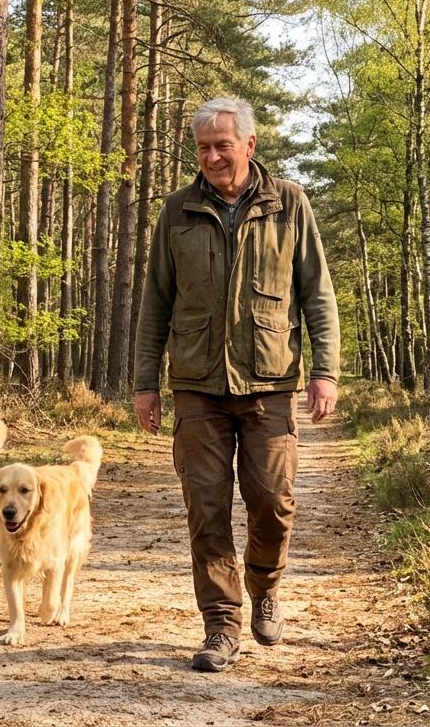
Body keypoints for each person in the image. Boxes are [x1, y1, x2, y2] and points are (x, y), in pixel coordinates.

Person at [133, 95, 340, 672]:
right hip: (197, 384)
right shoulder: (176, 210)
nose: (213, 157)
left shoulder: (289, 204)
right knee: (206, 508)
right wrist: (146, 382)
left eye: (223, 145)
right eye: (203, 147)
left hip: (270, 382)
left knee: (273, 503)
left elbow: (317, 295)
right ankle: (220, 626)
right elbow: (155, 302)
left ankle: (264, 584)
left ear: (250, 145)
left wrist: (325, 371)